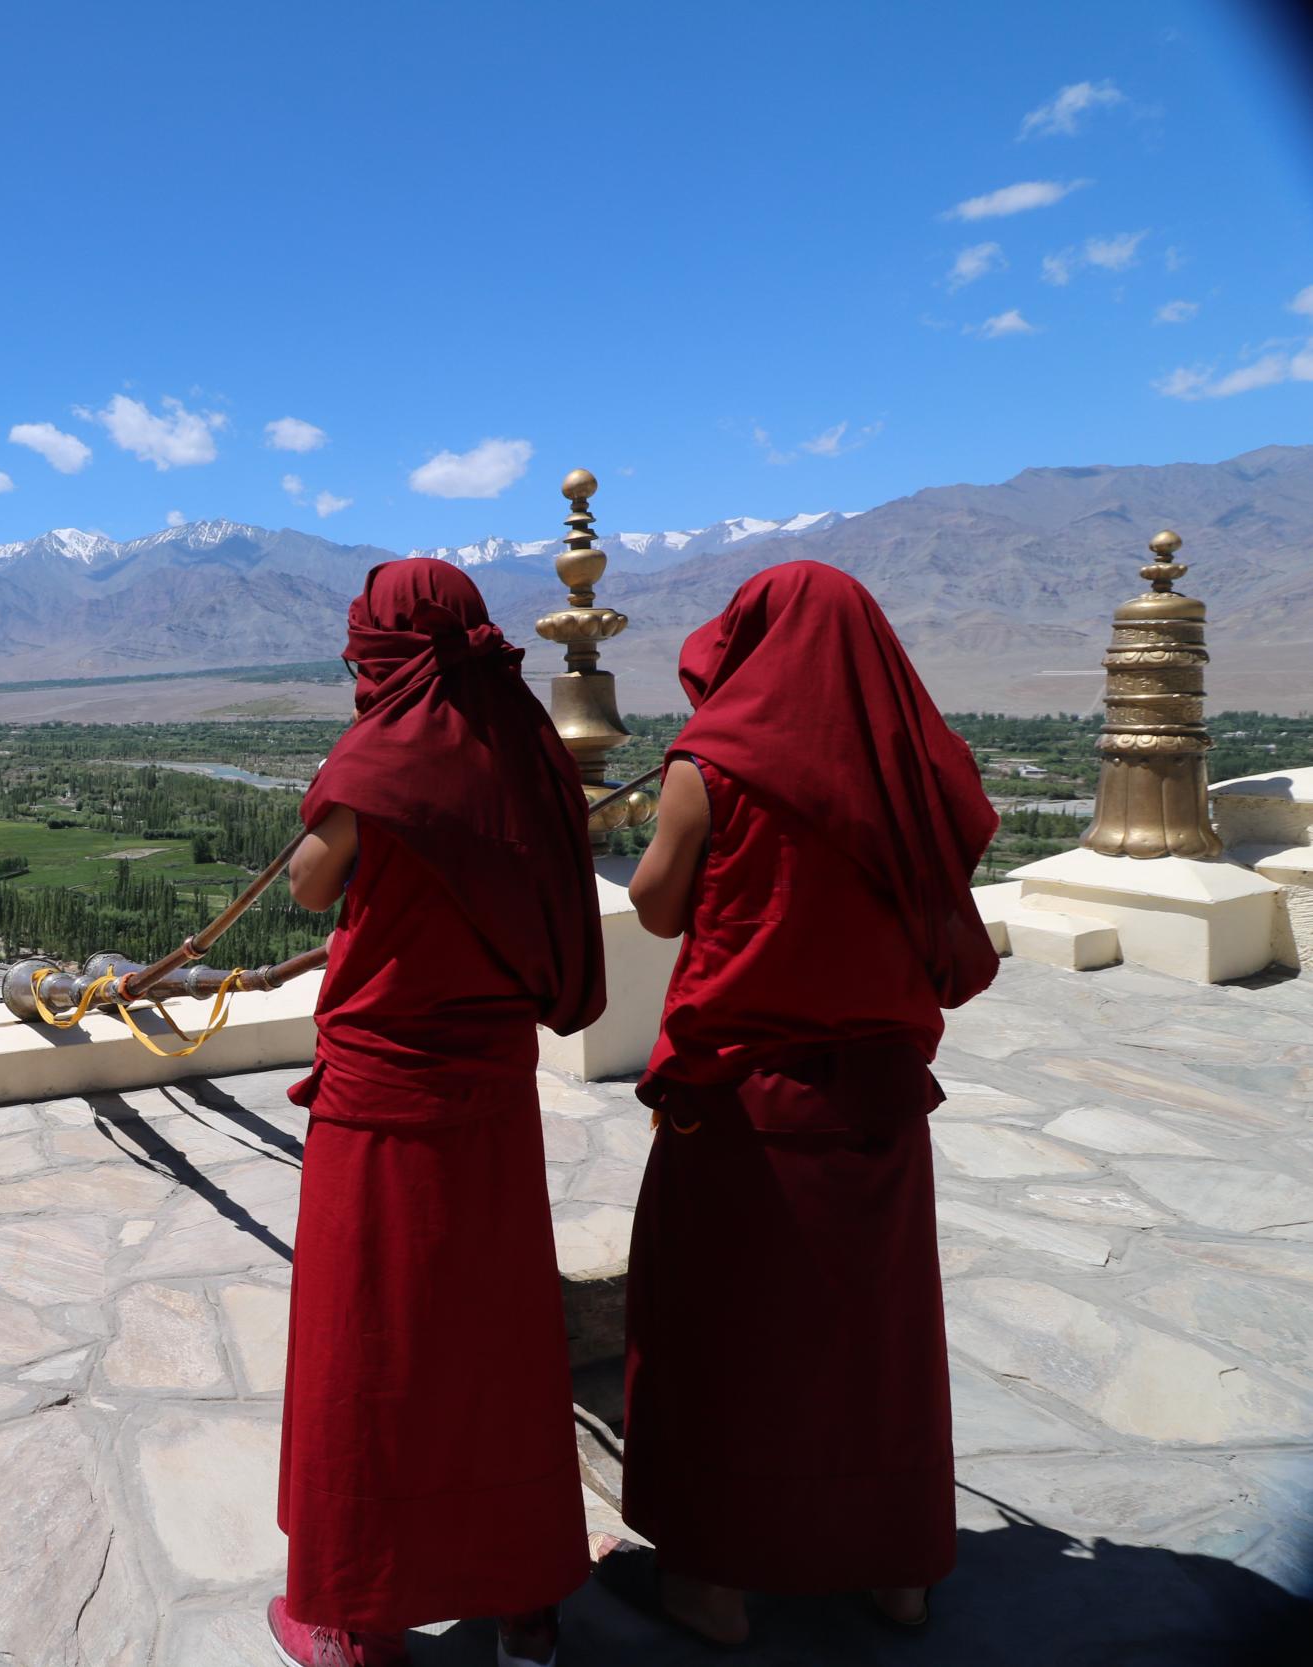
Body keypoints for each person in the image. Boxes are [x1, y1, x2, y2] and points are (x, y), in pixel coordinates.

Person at [616, 561, 999, 1645]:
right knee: (871, 1340)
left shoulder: (713, 763)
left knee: (723, 1335)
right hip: (878, 1100)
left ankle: (714, 1587)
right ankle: (895, 1571)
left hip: (743, 1107)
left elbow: (653, 908)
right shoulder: (912, 765)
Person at [270, 557, 606, 1667]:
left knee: (370, 1343)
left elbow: (309, 885)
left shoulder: (384, 754)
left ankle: (353, 1610)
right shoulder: (527, 744)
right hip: (494, 1093)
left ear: (384, 647)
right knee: (497, 1343)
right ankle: (526, 1606)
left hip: (386, 1102)